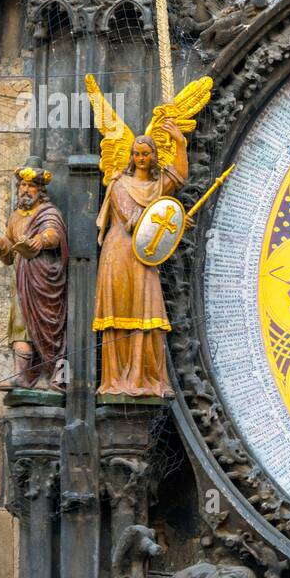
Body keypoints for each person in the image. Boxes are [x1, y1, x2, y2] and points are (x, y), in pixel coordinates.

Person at [93, 117, 186, 397]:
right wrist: (170, 218)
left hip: (145, 257)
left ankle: (147, 377)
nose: (142, 158)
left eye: (146, 154)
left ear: (154, 156)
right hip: (121, 252)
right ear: (131, 157)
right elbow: (133, 219)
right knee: (121, 311)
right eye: (137, 154)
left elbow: (179, 176)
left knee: (149, 312)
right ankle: (118, 379)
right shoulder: (120, 184)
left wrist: (180, 143)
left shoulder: (157, 187)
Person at [0, 158, 68, 391]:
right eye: (22, 185)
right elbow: (9, 255)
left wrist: (39, 240)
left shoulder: (48, 212)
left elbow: (54, 234)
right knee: (20, 326)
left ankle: (61, 378)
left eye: (31, 186)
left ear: (40, 190)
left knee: (52, 331)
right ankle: (22, 376)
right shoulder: (15, 217)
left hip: (44, 280)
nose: (25, 190)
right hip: (21, 281)